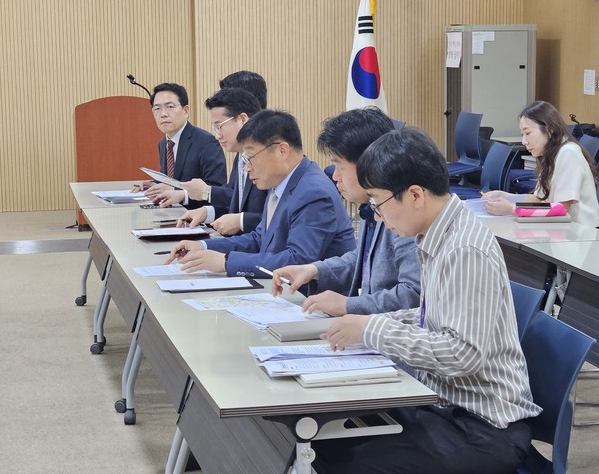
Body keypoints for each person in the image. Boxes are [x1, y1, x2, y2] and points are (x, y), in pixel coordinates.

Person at [313, 127, 541, 474]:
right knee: (329, 442)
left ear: (415, 195)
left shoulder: (462, 249)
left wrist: (374, 328)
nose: (377, 215)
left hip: (485, 427)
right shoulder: (438, 232)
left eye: (380, 202)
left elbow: (462, 354)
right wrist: (366, 326)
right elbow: (428, 315)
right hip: (449, 406)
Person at [166, 110, 355, 276]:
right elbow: (259, 239)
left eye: (251, 158)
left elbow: (298, 260)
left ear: (282, 151)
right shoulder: (281, 182)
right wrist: (204, 246)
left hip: (312, 299)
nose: (247, 168)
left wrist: (226, 262)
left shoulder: (313, 192)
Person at [271, 107, 420, 317]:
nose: (335, 177)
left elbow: (414, 295)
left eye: (340, 166)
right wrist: (313, 270)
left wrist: (348, 305)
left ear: (369, 162)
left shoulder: (400, 210)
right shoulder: (371, 203)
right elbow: (363, 259)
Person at [161, 71, 269, 218]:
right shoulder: (240, 151)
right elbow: (235, 201)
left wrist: (207, 192)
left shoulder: (266, 153)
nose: (218, 135)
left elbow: (270, 218)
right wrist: (207, 212)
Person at [483, 100, 599, 227]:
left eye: (528, 133)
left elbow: (561, 208)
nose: (524, 141)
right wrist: (505, 196)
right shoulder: (550, 154)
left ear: (549, 129)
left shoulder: (568, 152)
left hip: (583, 232)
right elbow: (539, 199)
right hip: (562, 229)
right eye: (522, 134)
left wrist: (513, 209)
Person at [141, 82, 227, 210]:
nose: (163, 114)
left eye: (170, 107)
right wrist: (152, 184)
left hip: (197, 216)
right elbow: (171, 179)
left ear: (186, 111)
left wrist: (179, 193)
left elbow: (216, 188)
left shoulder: (206, 142)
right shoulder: (163, 144)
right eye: (157, 108)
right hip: (170, 213)